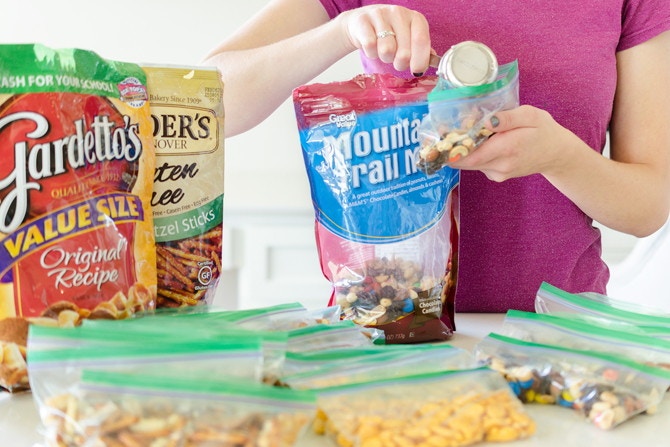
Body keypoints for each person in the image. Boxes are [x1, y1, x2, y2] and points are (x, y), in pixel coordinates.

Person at [203, 1, 670, 313]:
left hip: (558, 334)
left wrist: (561, 157)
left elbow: (648, 205)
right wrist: (344, 29)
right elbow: (209, 96)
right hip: (389, 324)